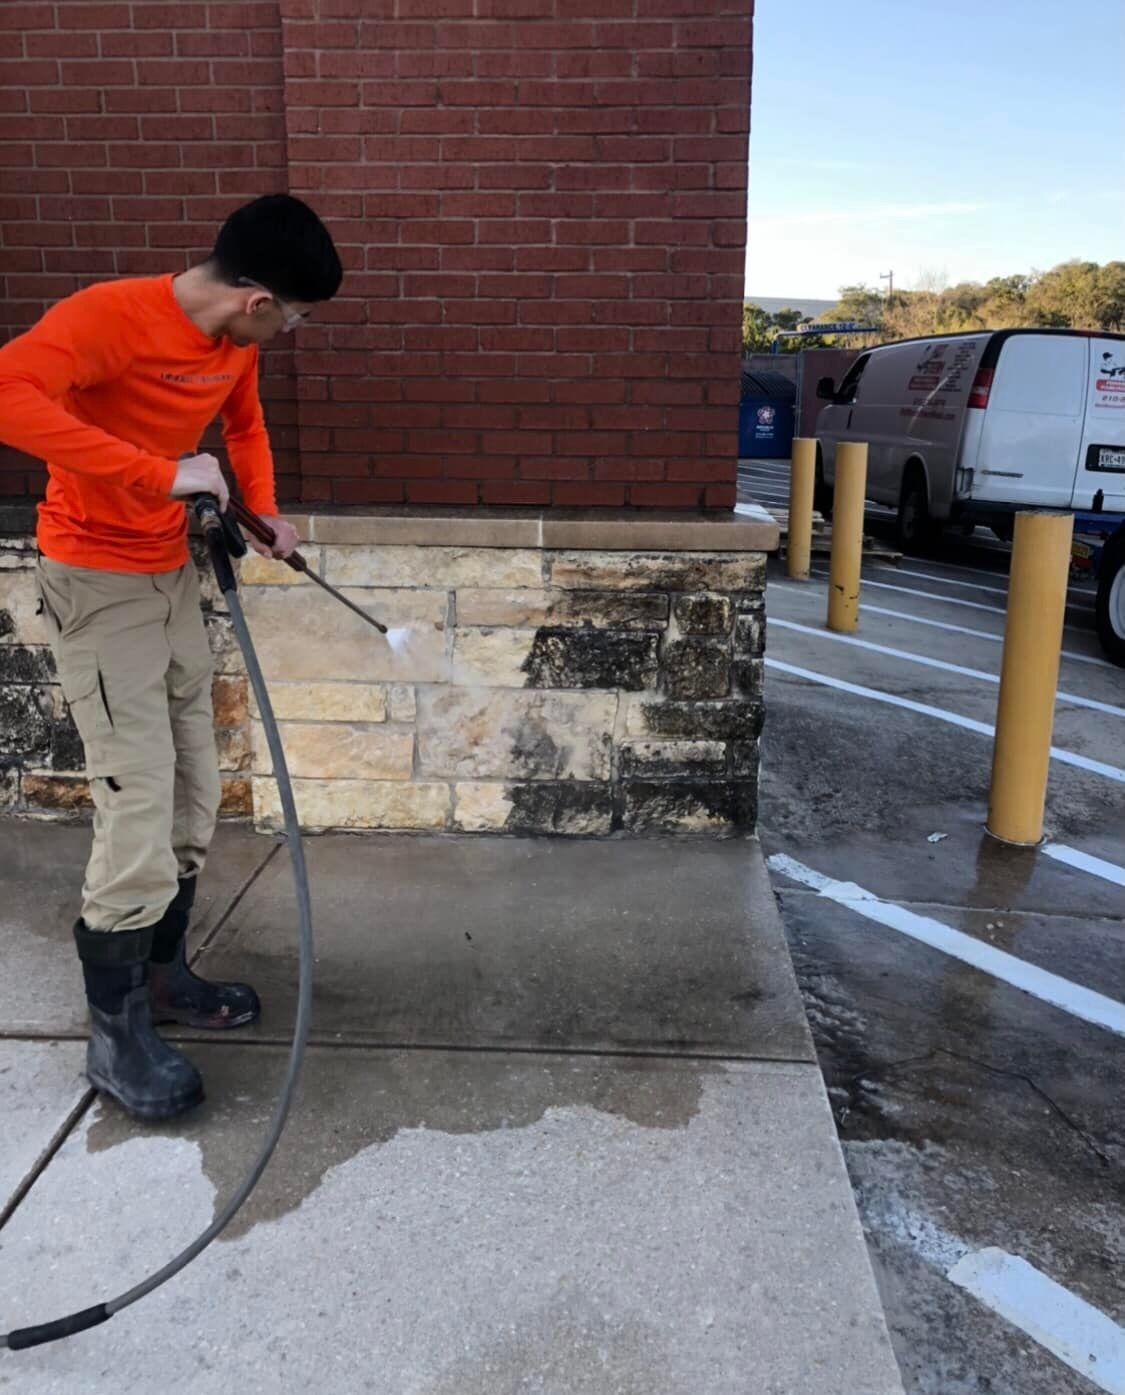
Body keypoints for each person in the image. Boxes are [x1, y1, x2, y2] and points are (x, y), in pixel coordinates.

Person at [0, 194, 342, 1121]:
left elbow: (242, 433)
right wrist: (156, 473)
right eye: (296, 317)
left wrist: (259, 508)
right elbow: (6, 393)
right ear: (255, 299)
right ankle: (113, 1044)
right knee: (139, 797)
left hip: (166, 572)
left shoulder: (230, 349)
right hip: (95, 578)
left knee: (194, 791)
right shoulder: (108, 318)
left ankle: (160, 979)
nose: (294, 331)